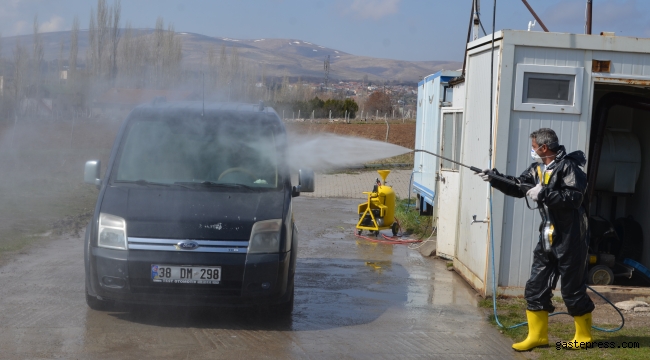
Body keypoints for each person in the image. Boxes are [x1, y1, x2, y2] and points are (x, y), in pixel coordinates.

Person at [477, 128, 594, 351]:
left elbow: (574, 198)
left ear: (544, 147)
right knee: (535, 286)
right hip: (548, 235)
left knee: (572, 289)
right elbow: (519, 186)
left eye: (533, 147)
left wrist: (544, 194)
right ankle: (538, 337)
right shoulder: (537, 169)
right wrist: (494, 177)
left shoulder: (569, 167)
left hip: (571, 238)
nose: (532, 151)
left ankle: (584, 337)